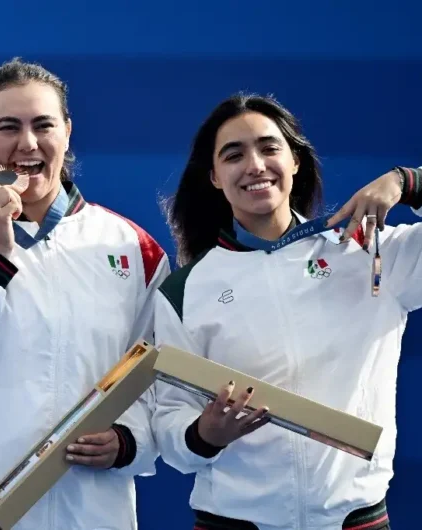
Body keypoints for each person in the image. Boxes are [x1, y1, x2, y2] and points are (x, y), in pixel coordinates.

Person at [0, 57, 170, 529]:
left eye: (43, 125)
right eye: (8, 127)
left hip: (89, 511)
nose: (28, 144)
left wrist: (129, 439)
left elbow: (155, 378)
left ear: (67, 131)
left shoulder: (133, 248)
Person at [151, 92, 421, 530]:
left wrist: (407, 181)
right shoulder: (184, 291)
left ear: (295, 160)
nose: (255, 165)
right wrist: (204, 434)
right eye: (234, 154)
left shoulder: (368, 252)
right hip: (233, 521)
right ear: (215, 178)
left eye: (269, 147)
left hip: (355, 519)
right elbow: (168, 422)